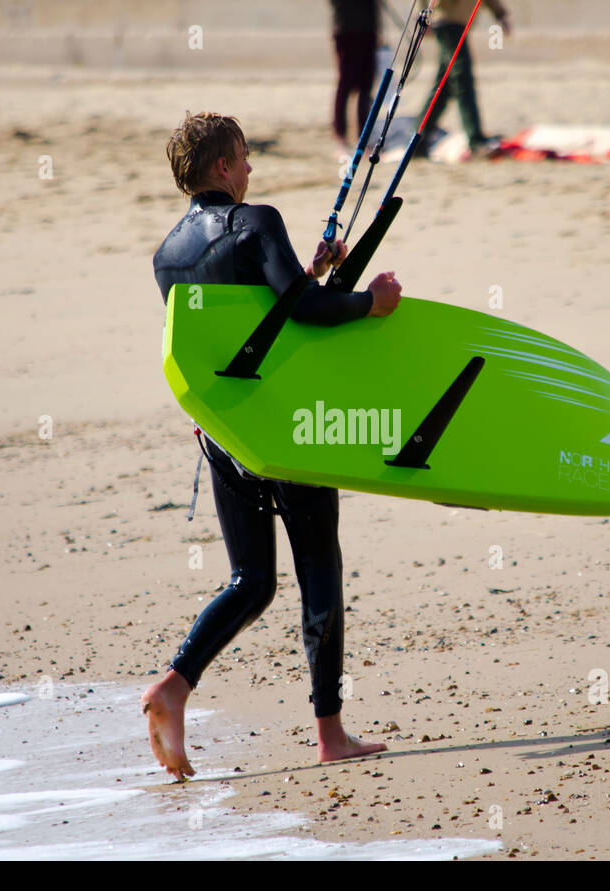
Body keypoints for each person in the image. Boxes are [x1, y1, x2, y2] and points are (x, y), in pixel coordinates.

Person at [145, 112, 402, 780]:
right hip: (289, 427)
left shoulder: (167, 254)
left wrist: (311, 273)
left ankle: (173, 685)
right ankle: (330, 732)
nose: (252, 168)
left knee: (251, 581)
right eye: (245, 157)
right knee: (319, 562)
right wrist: (369, 304)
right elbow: (307, 312)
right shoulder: (257, 220)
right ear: (224, 168)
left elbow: (252, 319)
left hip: (226, 434)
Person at [417, 0, 510, 159]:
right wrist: (424, 15)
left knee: (444, 86)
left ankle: (418, 139)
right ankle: (475, 140)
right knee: (462, 79)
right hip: (446, 21)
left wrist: (499, 14)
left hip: (457, 22)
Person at [328, 0, 381, 153]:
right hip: (346, 29)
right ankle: (340, 135)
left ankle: (363, 137)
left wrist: (378, 32)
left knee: (366, 86)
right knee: (345, 83)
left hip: (368, 31)